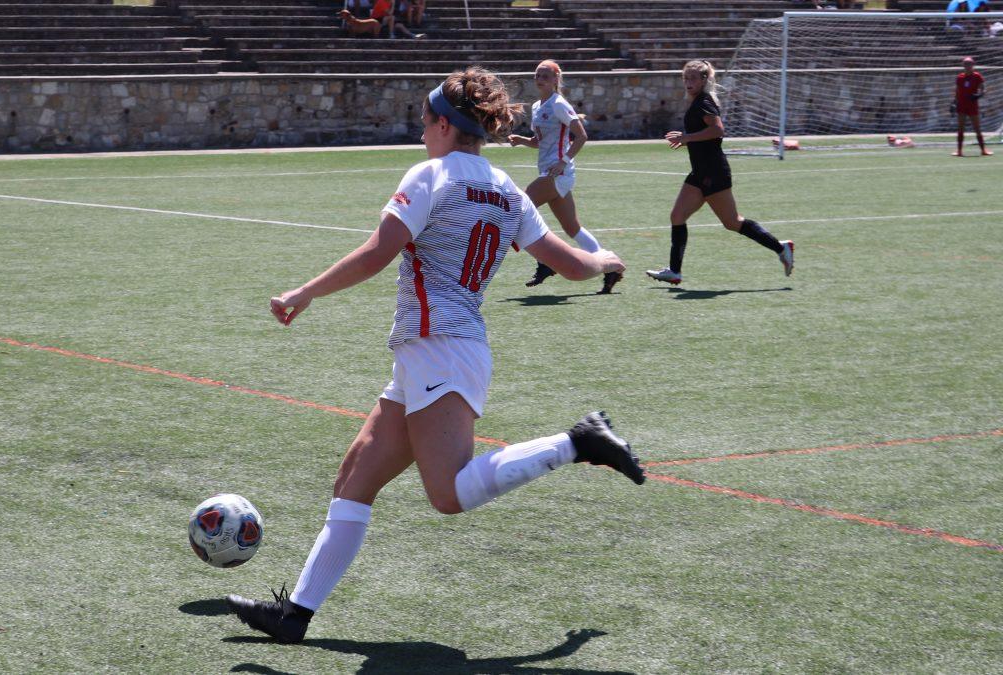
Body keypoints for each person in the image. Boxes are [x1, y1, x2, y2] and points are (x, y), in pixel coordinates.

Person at [225, 67, 645, 644]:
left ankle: (578, 441)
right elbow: (571, 263)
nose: (422, 132)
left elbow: (377, 253)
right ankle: (294, 617)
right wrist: (605, 260)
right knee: (354, 479)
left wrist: (305, 292)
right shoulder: (505, 186)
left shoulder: (431, 175)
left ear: (444, 125)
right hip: (437, 352)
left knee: (447, 494)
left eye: (424, 123)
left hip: (440, 351)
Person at [646, 60, 794, 286]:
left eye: (693, 78)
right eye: (685, 78)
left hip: (714, 172)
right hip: (700, 171)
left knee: (732, 222)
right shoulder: (698, 102)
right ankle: (674, 272)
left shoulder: (704, 101)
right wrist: (687, 139)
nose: (688, 82)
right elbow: (704, 134)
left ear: (704, 80)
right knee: (677, 216)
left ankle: (781, 248)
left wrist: (686, 137)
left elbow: (717, 130)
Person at [507, 60, 621, 294]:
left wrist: (563, 162)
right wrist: (522, 140)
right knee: (573, 228)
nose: (540, 79)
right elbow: (540, 142)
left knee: (520, 207)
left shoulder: (559, 104)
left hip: (558, 173)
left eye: (546, 76)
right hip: (549, 172)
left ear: (556, 79)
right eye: (538, 75)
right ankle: (611, 267)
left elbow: (581, 136)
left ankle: (545, 263)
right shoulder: (538, 106)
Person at [952, 56, 993, 157]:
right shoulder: (959, 77)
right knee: (960, 128)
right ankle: (959, 151)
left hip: (972, 105)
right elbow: (957, 91)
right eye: (966, 64)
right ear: (963, 65)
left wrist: (979, 95)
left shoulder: (977, 76)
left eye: (969, 64)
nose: (968, 66)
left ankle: (983, 150)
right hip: (961, 105)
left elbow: (983, 89)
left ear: (973, 65)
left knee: (977, 128)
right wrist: (953, 102)